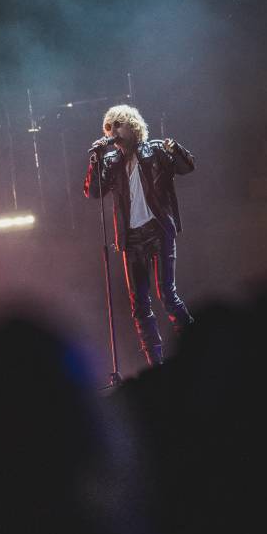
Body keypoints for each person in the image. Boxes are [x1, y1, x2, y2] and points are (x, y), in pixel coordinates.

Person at [85, 105, 196, 367]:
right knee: (139, 305)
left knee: (167, 294)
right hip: (131, 239)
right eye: (110, 127)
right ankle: (155, 363)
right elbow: (93, 192)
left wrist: (176, 149)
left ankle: (194, 345)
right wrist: (96, 160)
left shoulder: (156, 150)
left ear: (132, 126)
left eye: (119, 125)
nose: (114, 132)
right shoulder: (111, 161)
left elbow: (187, 167)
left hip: (158, 230)